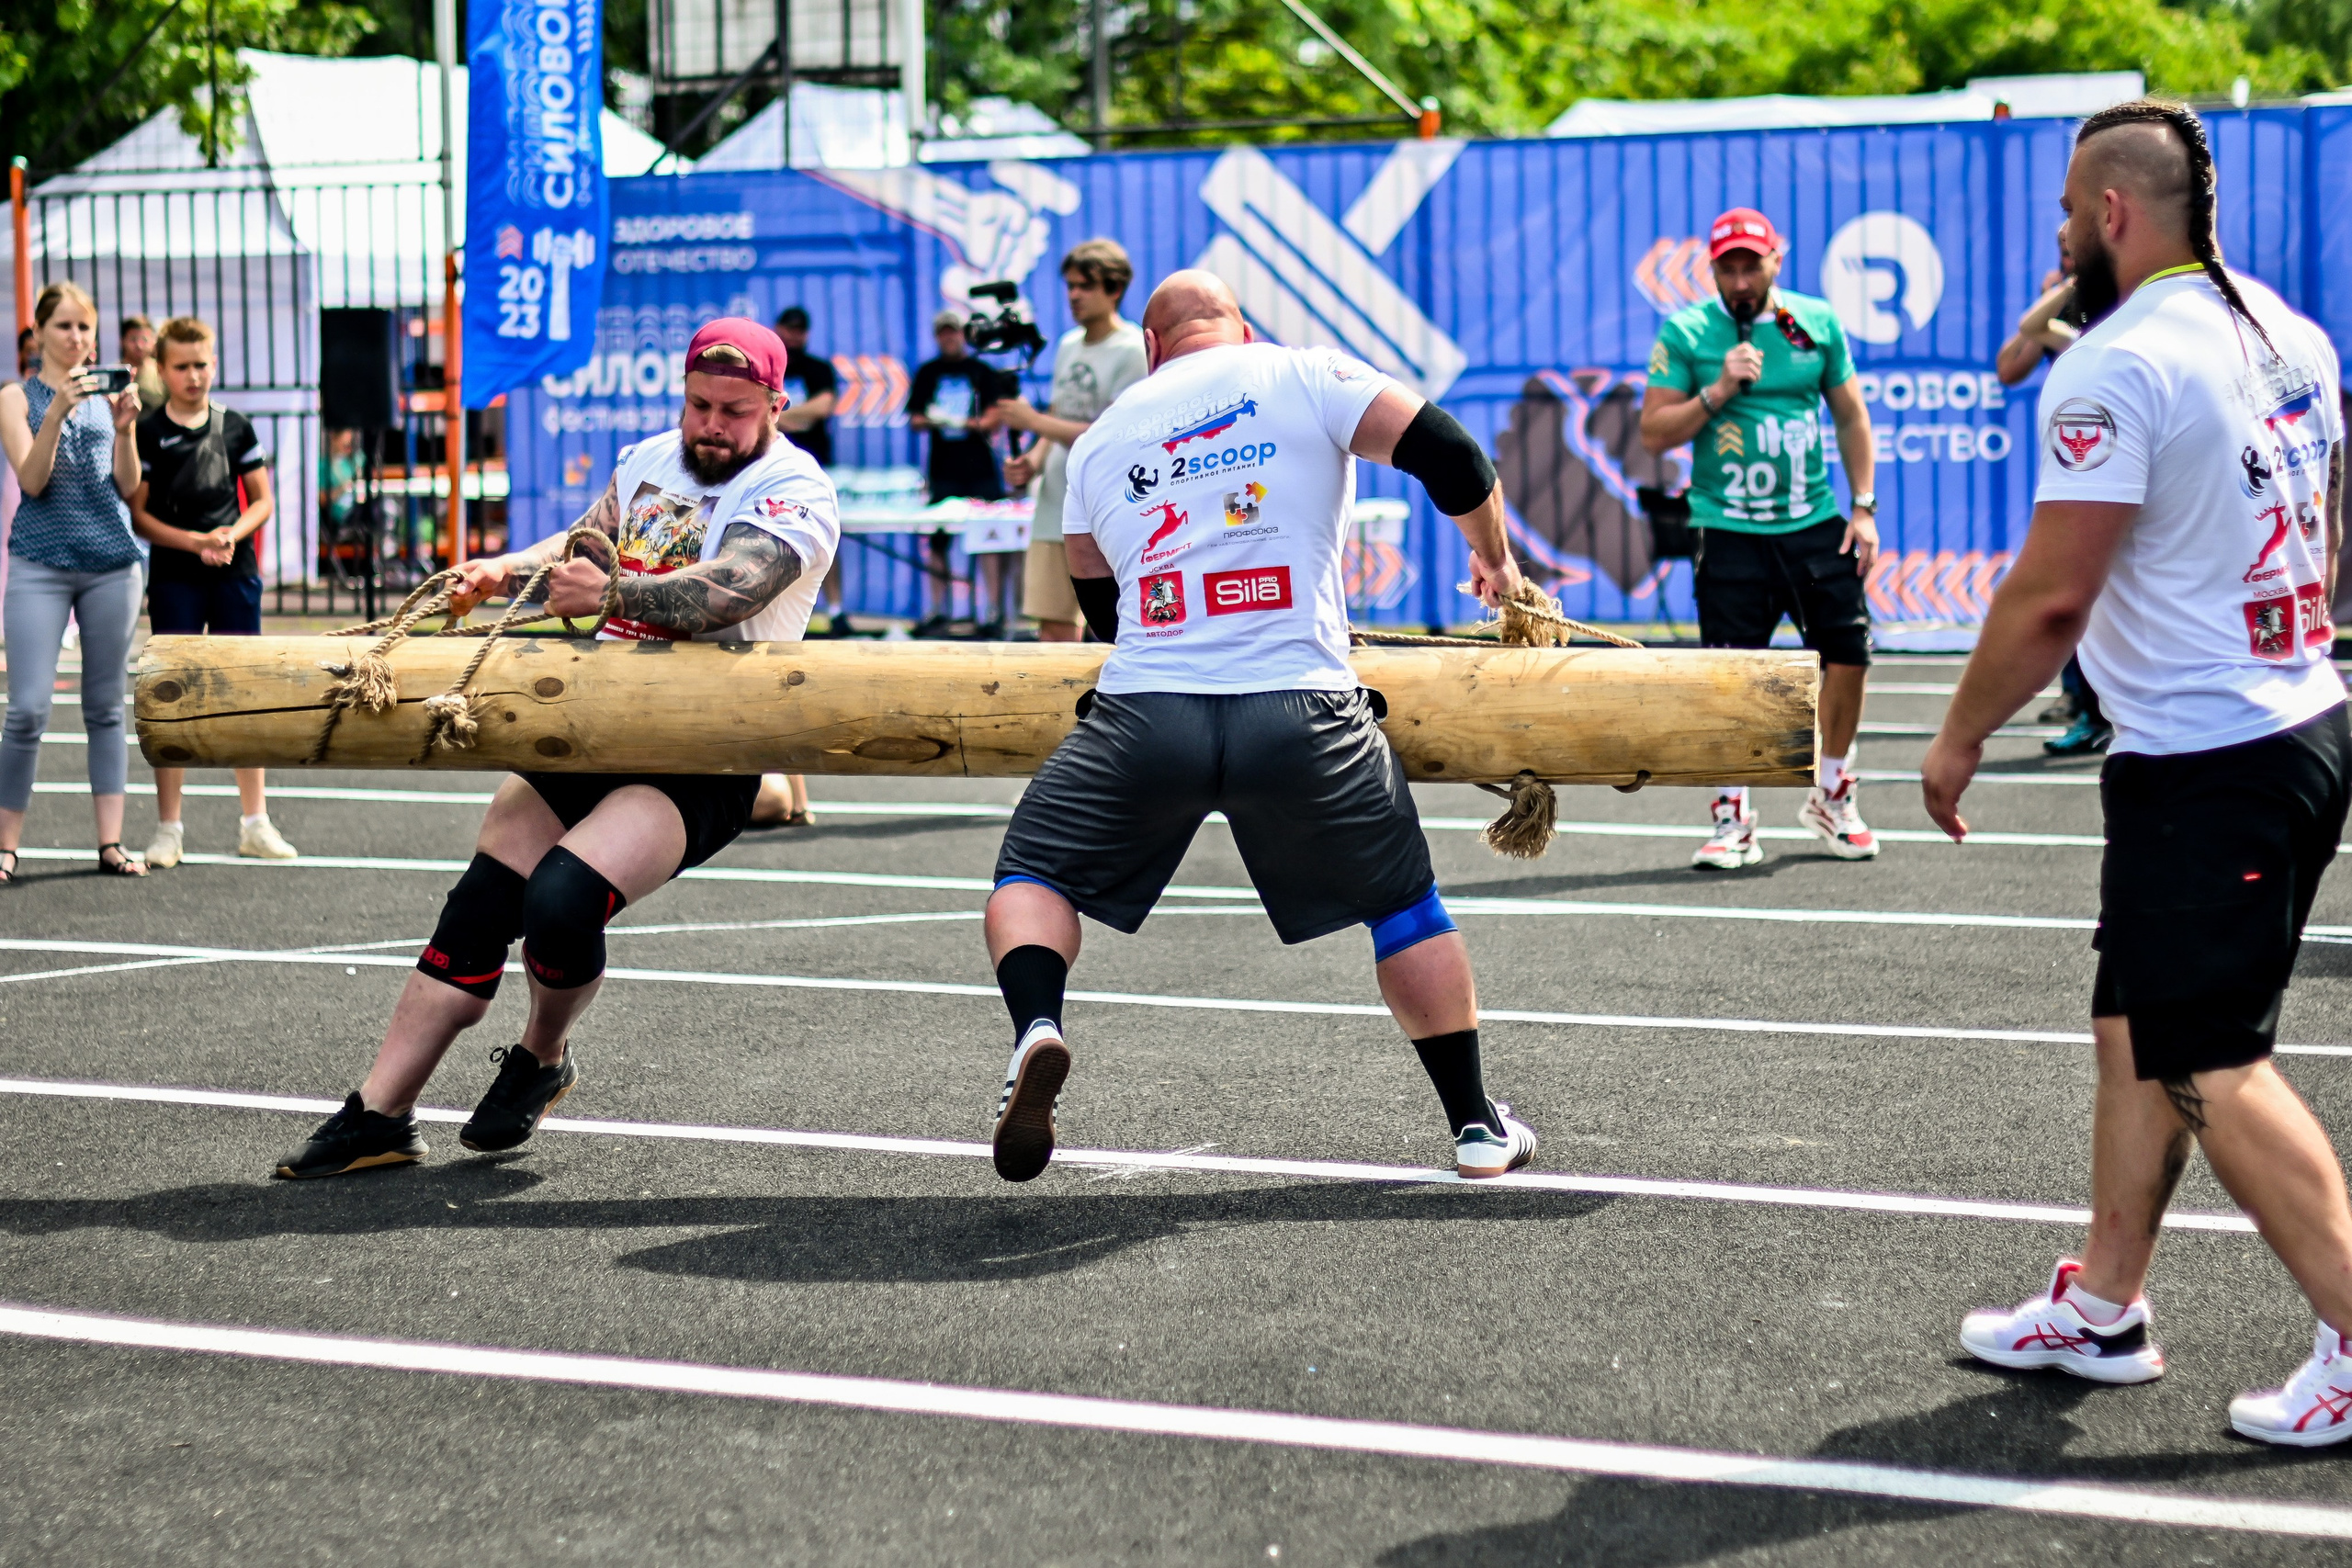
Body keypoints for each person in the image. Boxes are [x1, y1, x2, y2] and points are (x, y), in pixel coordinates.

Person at [1926, 101, 2352, 1446]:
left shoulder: (2112, 365)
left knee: (2209, 1058)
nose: (2060, 237)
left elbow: (2051, 597)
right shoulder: (2289, 327)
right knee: (2135, 1021)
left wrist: (1955, 738)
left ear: (2112, 213)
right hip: (2287, 726)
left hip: (2217, 757)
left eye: (2066, 214)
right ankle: (2106, 1302)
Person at [981, 270, 1539, 1186]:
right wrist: (1496, 561)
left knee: (1032, 875)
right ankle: (1475, 1126)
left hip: (1145, 712)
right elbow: (1452, 456)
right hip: (1302, 708)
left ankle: (1037, 1024)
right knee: (1403, 906)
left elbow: (1101, 607)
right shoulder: (1302, 373)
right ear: (1242, 329)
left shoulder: (1100, 440)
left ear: (1152, 348)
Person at [273, 318, 840, 1179]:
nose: (711, 427)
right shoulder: (650, 458)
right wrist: (503, 570)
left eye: (733, 411)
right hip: (594, 724)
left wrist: (613, 589)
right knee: (476, 912)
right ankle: (378, 1115)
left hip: (702, 754)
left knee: (563, 899)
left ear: (774, 404)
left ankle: (541, 1057)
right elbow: (581, 546)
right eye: (697, 406)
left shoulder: (796, 489)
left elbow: (729, 590)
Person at [1639, 207, 1882, 869]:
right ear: (1712, 269)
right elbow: (1655, 431)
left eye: (1753, 264)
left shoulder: (1814, 322)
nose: (1741, 279)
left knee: (1849, 655)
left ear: (1779, 259)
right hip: (1728, 526)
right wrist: (1718, 388)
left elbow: (1853, 416)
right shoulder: (1687, 330)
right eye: (1728, 267)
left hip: (1813, 521)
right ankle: (1733, 815)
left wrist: (1863, 507)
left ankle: (1832, 791)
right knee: (1731, 674)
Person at [129, 316, 298, 865]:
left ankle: (255, 821)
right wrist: (194, 541)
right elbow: (140, 515)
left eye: (202, 364)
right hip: (177, 574)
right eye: (182, 366)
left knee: (242, 692)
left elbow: (263, 501)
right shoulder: (149, 431)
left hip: (233, 569)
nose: (194, 375)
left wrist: (229, 535)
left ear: (215, 364)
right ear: (162, 369)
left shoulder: (237, 427)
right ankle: (168, 829)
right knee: (172, 692)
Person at [0, 282, 150, 883]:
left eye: (86, 327)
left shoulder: (107, 394)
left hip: (112, 564)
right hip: (40, 561)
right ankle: (6, 845)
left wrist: (126, 428)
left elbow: (130, 486)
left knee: (106, 707)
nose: (77, 338)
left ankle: (110, 843)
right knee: (28, 709)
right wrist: (56, 410)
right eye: (64, 326)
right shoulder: (16, 395)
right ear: (38, 334)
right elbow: (32, 481)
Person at [999, 239, 1147, 643]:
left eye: (1085, 286)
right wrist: (1032, 457)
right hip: (1053, 502)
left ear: (1114, 289)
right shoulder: (1067, 344)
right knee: (1053, 627)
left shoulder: (1132, 349)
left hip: (1105, 506)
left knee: (1111, 629)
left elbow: (1113, 436)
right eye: (1070, 286)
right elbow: (1060, 415)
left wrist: (1033, 420)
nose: (1074, 295)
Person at [909, 308, 1014, 636]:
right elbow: (914, 419)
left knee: (989, 537)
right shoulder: (927, 372)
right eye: (943, 332)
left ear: (963, 335)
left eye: (954, 331)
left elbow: (996, 416)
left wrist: (965, 423)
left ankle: (991, 611)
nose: (949, 338)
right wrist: (936, 419)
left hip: (980, 467)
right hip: (943, 469)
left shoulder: (981, 370)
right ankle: (939, 609)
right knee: (937, 541)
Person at [774, 304, 851, 636]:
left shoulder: (818, 367)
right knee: (773, 537)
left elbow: (824, 407)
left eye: (799, 329)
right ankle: (778, 611)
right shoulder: (770, 366)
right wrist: (798, 417)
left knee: (826, 538)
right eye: (789, 329)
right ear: (779, 328)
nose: (794, 335)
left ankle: (835, 609)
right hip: (770, 467)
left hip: (814, 465)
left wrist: (777, 416)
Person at [119, 315, 164, 406]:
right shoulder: (115, 372)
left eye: (145, 340)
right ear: (122, 341)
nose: (139, 345)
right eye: (133, 340)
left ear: (153, 342)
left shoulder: (162, 371)